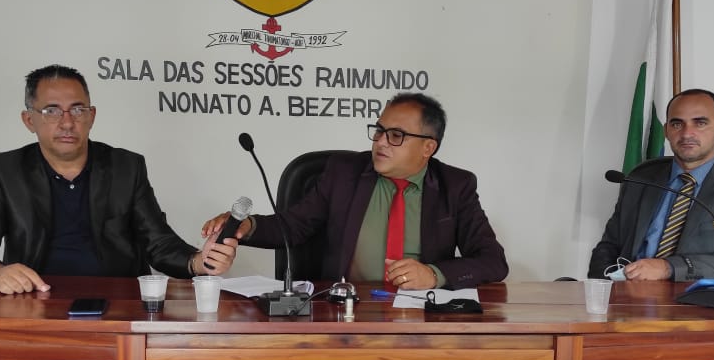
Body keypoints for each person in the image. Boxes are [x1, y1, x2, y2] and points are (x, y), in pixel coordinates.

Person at [0, 64, 237, 294]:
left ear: (92, 116)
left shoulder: (126, 167)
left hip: (119, 303)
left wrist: (199, 262)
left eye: (78, 109)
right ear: (29, 120)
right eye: (51, 111)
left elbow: (158, 243)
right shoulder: (6, 170)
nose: (67, 122)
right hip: (35, 300)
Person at [203, 94, 507, 290]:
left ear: (428, 147)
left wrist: (434, 274)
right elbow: (294, 226)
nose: (381, 142)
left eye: (396, 135)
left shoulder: (455, 186)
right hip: (347, 310)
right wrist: (246, 225)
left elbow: (493, 260)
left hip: (420, 317)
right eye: (379, 130)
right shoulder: (344, 173)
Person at [588, 88, 714, 282]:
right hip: (627, 293)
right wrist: (605, 287)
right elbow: (608, 246)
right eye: (677, 124)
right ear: (666, 130)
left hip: (695, 298)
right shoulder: (641, 177)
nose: (687, 133)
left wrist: (670, 268)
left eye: (700, 123)